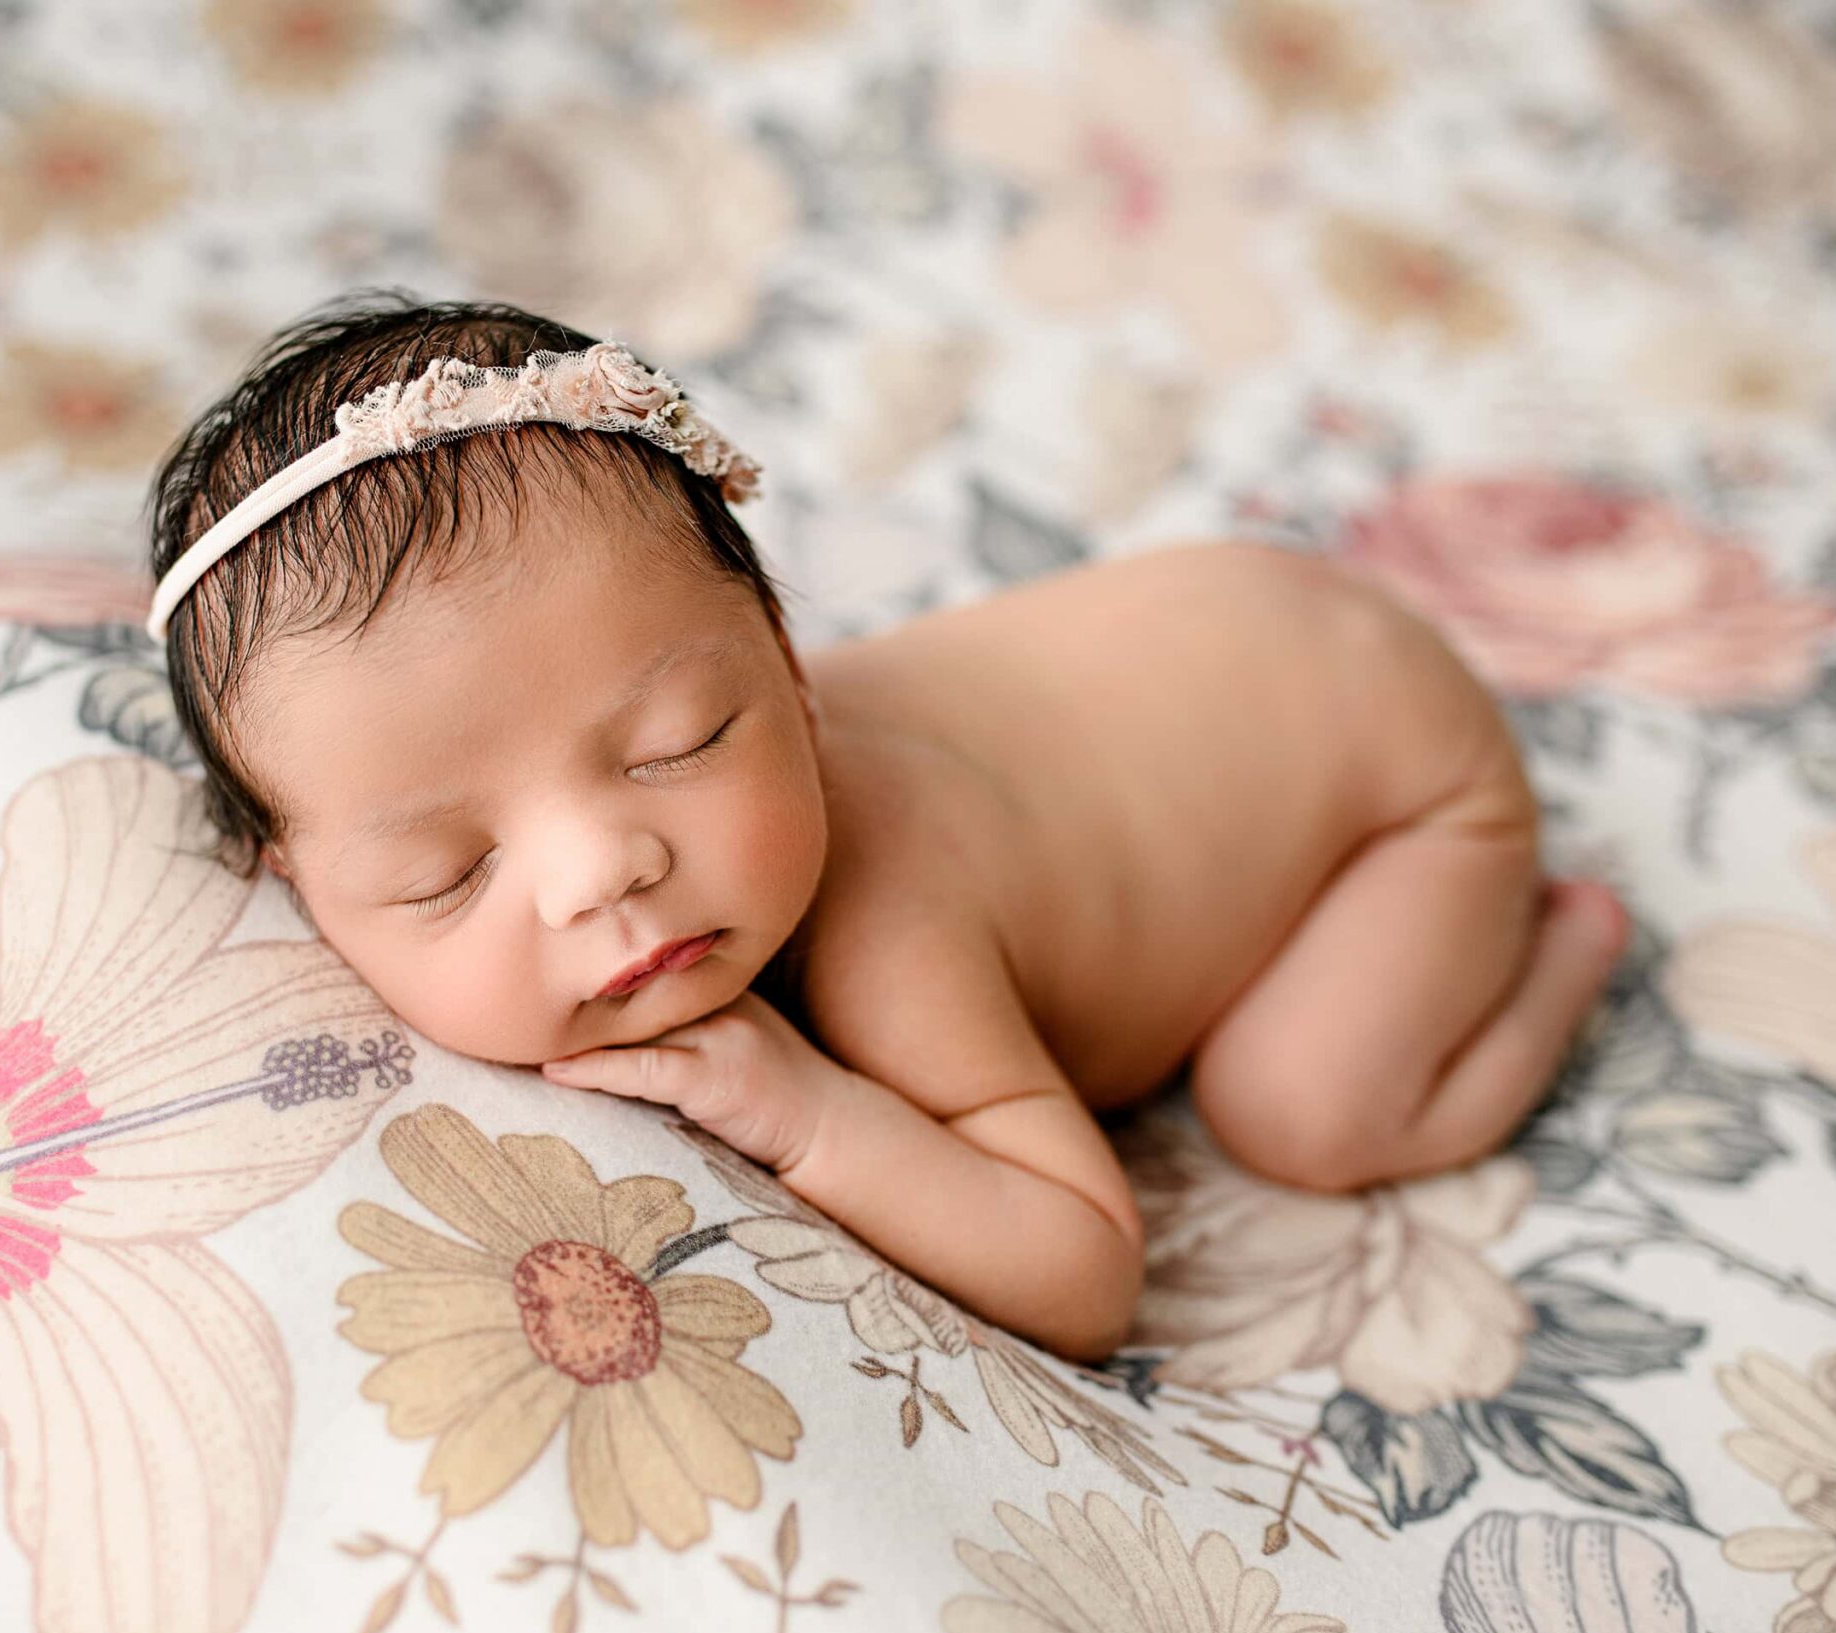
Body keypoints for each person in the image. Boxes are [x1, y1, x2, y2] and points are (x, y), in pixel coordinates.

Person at [141, 288, 1632, 1365]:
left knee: (1302, 1110)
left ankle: (1567, 944)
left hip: (1393, 773)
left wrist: (809, 1112)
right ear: (294, 875)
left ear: (788, 663)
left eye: (684, 743)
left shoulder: (882, 908)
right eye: (442, 871)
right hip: (1234, 631)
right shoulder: (573, 748)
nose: (604, 868)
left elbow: (1085, 1267)